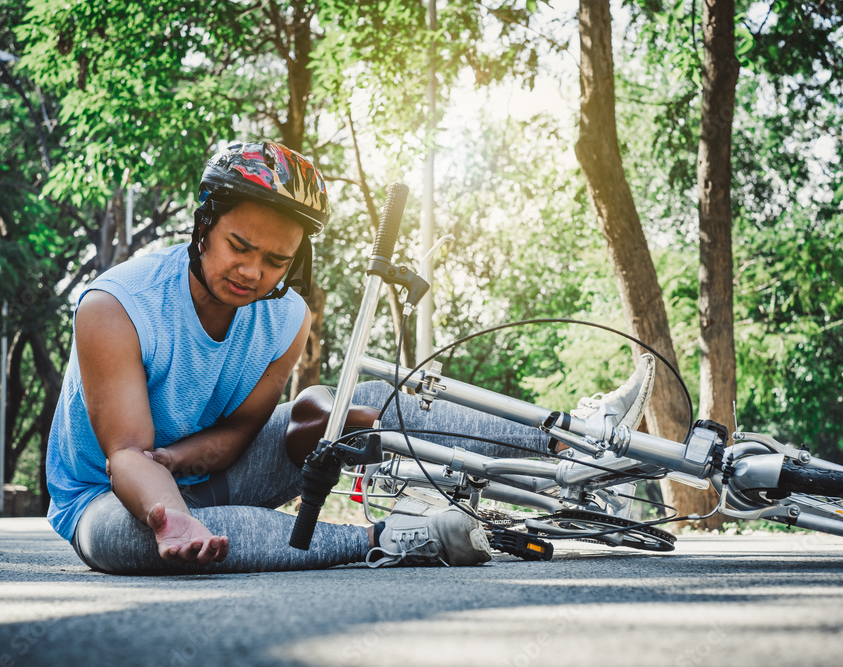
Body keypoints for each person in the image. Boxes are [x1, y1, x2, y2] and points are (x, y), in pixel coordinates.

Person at [45, 140, 650, 575]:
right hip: (108, 497)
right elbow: (126, 454)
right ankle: (392, 539)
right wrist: (171, 513)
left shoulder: (287, 317)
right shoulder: (114, 306)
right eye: (239, 246)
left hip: (213, 473)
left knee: (358, 404)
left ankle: (574, 439)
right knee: (133, 541)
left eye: (276, 261)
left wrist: (179, 458)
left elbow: (238, 434)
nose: (252, 272)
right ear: (205, 221)